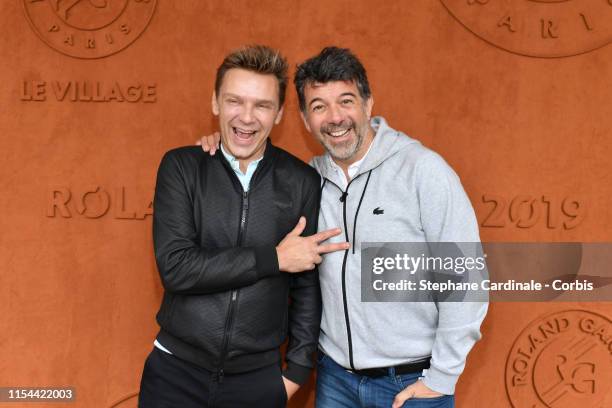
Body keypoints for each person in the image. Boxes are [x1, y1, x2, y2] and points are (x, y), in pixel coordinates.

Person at [199, 46, 488, 408]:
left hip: (412, 383)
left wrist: (442, 377)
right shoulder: (307, 180)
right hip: (336, 380)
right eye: (319, 106)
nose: (335, 118)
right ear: (305, 120)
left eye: (346, 101)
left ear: (368, 104)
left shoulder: (423, 171)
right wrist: (219, 147)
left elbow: (466, 277)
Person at [139, 45, 349, 408]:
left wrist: (296, 372)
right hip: (174, 374)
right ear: (216, 104)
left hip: (258, 382)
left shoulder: (301, 181)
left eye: (262, 105)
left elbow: (307, 286)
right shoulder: (182, 167)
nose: (247, 117)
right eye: (235, 101)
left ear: (280, 112)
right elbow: (177, 268)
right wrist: (274, 258)